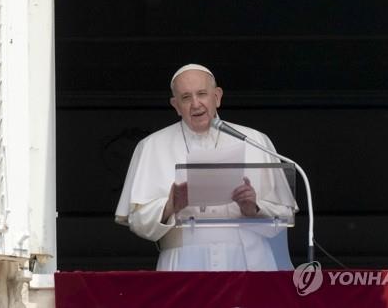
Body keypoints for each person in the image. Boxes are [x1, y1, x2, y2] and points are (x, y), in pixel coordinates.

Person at [115, 64, 297, 271]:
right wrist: (170, 206)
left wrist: (254, 208)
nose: (195, 104)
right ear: (175, 105)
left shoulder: (255, 140)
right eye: (186, 97)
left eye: (202, 94)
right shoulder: (151, 146)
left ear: (217, 97)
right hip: (184, 262)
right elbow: (137, 222)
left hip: (249, 261)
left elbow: (284, 215)